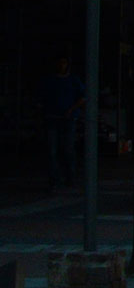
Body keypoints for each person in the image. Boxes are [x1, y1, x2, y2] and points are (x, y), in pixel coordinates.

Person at [42, 56, 84, 189]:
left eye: (64, 63)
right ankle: (56, 179)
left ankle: (69, 178)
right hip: (53, 117)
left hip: (67, 118)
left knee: (67, 149)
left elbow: (83, 97)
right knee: (53, 150)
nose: (62, 66)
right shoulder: (51, 81)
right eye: (60, 63)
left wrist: (71, 110)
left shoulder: (73, 80)